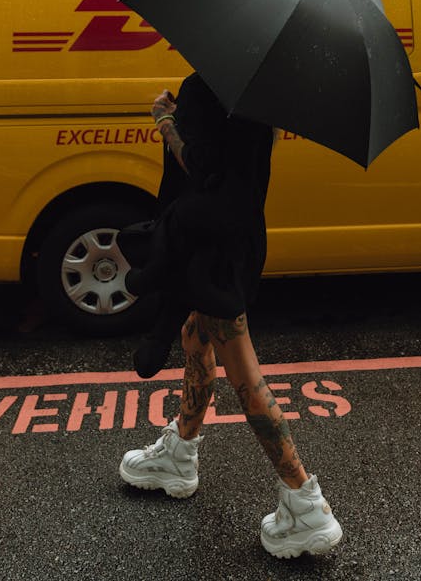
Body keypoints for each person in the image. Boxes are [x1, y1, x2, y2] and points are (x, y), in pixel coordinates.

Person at [119, 73, 343, 559]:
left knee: (244, 373)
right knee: (193, 336)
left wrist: (166, 122)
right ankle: (180, 450)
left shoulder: (205, 86)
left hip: (210, 250)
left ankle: (305, 502)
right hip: (239, 239)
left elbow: (201, 167)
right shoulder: (261, 91)